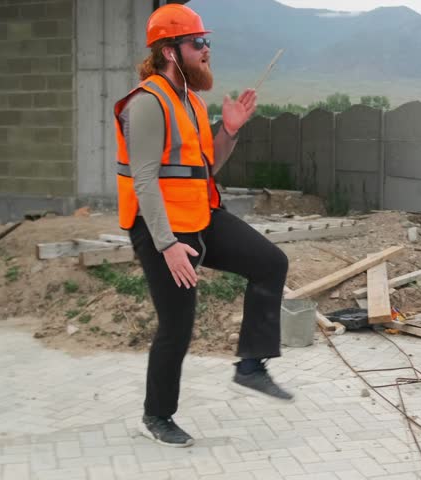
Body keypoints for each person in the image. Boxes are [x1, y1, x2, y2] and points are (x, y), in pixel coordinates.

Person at [113, 4, 292, 448]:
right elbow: (144, 180)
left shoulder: (190, 101)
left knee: (270, 262)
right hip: (161, 229)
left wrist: (228, 131)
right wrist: (168, 245)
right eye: (198, 43)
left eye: (206, 42)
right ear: (171, 52)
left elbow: (204, 169)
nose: (206, 50)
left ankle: (251, 364)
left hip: (201, 218)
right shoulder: (147, 103)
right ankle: (156, 416)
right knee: (177, 326)